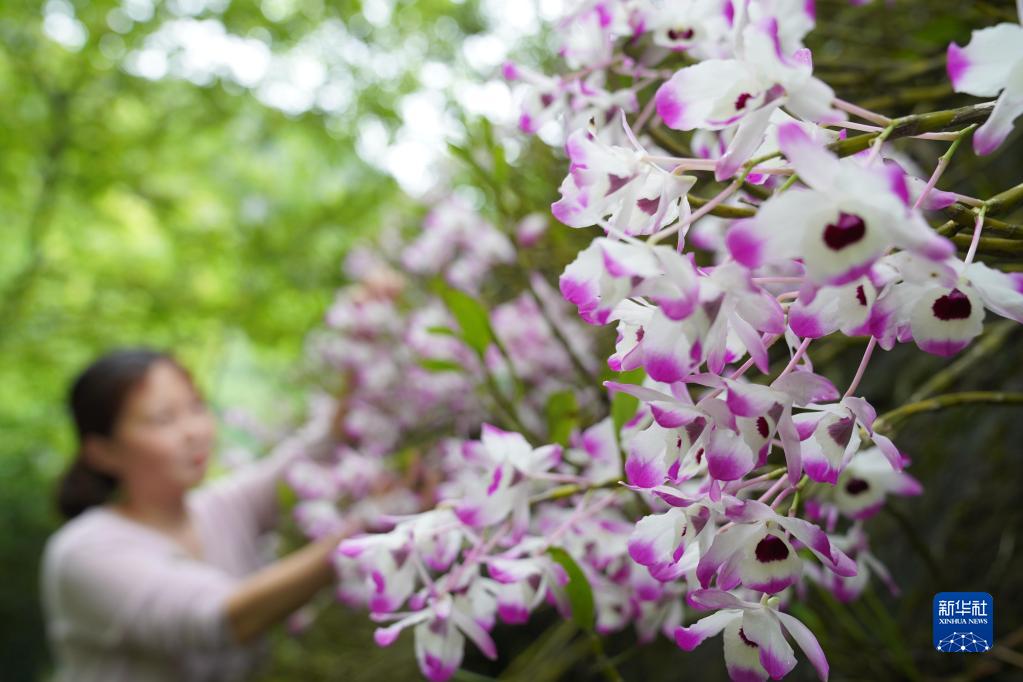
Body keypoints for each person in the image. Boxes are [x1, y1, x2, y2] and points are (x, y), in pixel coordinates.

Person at [40, 348, 352, 681]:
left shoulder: (218, 507)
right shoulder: (84, 552)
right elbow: (223, 618)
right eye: (163, 418)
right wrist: (357, 542)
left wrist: (356, 369)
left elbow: (312, 456)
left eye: (196, 407)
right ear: (103, 452)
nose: (194, 431)